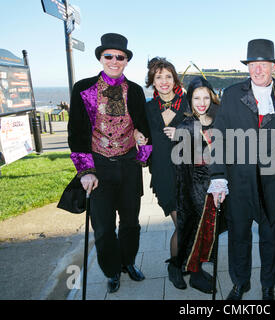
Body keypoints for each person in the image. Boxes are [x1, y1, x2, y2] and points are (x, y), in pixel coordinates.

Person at [209, 39, 275, 300]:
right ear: (248, 67)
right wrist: (218, 177)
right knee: (239, 235)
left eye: (263, 65)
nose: (258, 70)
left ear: (273, 67)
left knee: (271, 237)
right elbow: (220, 137)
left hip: (274, 182)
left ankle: (268, 285)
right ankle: (240, 283)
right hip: (239, 180)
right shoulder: (233, 94)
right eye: (253, 65)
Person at [67, 33, 152, 293]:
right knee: (103, 228)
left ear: (126, 61)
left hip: (128, 165)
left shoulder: (136, 91)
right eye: (109, 56)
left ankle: (128, 263)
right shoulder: (83, 89)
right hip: (99, 167)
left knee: (131, 223)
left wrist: (142, 146)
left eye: (120, 57)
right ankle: (112, 270)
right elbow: (77, 134)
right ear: (101, 58)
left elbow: (144, 129)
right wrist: (85, 171)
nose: (115, 61)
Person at [140, 57, 188, 289]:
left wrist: (184, 133)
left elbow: (207, 128)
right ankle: (175, 266)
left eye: (168, 76)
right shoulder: (147, 108)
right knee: (182, 224)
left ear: (174, 79)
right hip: (163, 174)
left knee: (193, 223)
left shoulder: (188, 103)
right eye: (158, 77)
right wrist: (139, 140)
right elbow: (141, 139)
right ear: (152, 81)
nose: (164, 81)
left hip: (191, 173)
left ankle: (191, 264)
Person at [174, 76, 220, 293]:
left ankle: (199, 267)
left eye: (205, 97)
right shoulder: (186, 125)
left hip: (217, 185)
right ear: (189, 100)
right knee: (196, 231)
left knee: (210, 231)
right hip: (195, 187)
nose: (201, 102)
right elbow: (183, 165)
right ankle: (194, 273)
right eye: (196, 98)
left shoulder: (219, 120)